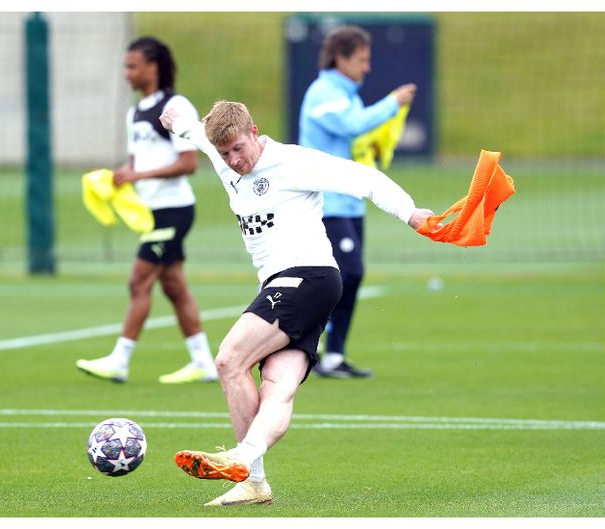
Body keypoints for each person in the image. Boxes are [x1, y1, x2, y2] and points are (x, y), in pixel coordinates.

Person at [159, 101, 434, 506]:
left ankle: (245, 463)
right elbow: (191, 129)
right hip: (300, 285)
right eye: (225, 154)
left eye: (238, 148)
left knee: (229, 360)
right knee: (277, 386)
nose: (234, 160)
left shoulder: (293, 162)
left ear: (254, 132)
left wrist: (410, 213)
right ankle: (253, 477)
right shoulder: (220, 155)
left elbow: (366, 178)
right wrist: (175, 118)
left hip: (307, 276)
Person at [76, 37, 217, 385]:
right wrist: (121, 175)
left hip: (173, 211)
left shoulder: (175, 106)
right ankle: (203, 362)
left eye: (132, 66)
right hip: (151, 211)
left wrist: (139, 174)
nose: (127, 73)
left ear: (153, 67)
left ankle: (119, 361)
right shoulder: (135, 112)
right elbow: (138, 162)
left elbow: (188, 163)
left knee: (139, 280)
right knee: (174, 286)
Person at [299, 25, 417, 378]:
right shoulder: (324, 93)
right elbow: (351, 126)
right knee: (344, 272)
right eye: (362, 60)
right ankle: (307, 340)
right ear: (341, 59)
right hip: (327, 203)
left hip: (350, 201)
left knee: (352, 274)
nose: (367, 68)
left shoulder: (346, 93)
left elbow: (355, 138)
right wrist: (392, 102)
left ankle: (333, 355)